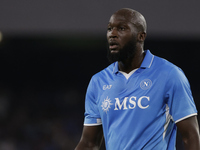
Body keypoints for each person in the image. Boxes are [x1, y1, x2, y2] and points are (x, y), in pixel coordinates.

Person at [75, 8, 200, 150]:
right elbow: (89, 143)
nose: (112, 34)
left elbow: (190, 135)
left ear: (141, 36)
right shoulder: (98, 82)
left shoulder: (169, 74)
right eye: (110, 29)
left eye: (121, 28)